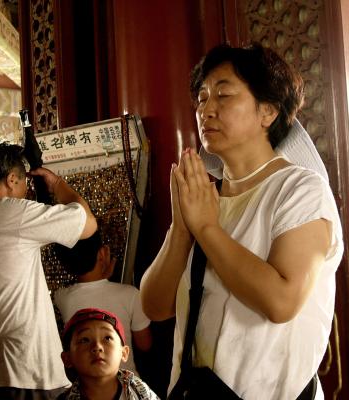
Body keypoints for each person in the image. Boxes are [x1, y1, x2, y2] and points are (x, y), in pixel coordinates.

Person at [140, 43, 343, 400]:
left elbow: (281, 301)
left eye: (223, 95)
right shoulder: (205, 198)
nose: (206, 110)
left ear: (267, 111)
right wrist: (182, 228)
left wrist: (206, 228)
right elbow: (155, 306)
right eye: (201, 98)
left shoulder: (300, 190)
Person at [0, 142, 97, 400]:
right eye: (23, 183)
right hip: (24, 371)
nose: (25, 191)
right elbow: (87, 224)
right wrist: (56, 184)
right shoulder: (12, 211)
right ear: (11, 179)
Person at [54, 231, 152, 376]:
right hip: (126, 383)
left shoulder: (61, 297)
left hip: (88, 386)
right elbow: (145, 344)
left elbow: (92, 293)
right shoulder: (130, 294)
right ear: (103, 252)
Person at [58, 307, 159, 400]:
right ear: (67, 358)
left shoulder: (141, 393)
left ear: (124, 353)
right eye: (85, 340)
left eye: (107, 338)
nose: (97, 347)